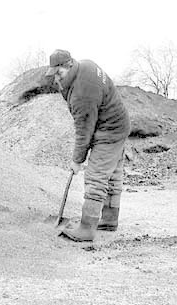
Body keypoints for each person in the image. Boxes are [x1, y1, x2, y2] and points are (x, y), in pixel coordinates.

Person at [45, 49, 131, 242]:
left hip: (110, 130)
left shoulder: (81, 93)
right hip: (119, 122)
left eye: (59, 74)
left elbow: (84, 131)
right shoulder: (85, 65)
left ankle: (86, 229)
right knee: (113, 173)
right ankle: (109, 219)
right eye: (54, 75)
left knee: (96, 176)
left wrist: (77, 160)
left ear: (69, 65)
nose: (57, 80)